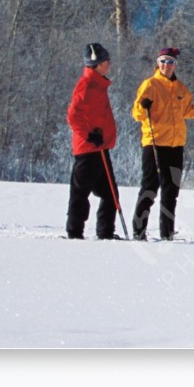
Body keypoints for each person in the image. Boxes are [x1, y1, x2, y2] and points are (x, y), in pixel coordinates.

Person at [130, 46, 194, 241]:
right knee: (150, 188)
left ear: (175, 64)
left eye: (171, 62)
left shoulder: (180, 88)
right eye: (163, 61)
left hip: (175, 145)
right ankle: (139, 230)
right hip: (155, 144)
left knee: (171, 191)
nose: (167, 65)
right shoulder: (150, 85)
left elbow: (189, 111)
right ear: (158, 64)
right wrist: (143, 106)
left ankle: (167, 232)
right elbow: (137, 114)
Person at [65, 42, 122, 240]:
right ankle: (74, 233)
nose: (109, 63)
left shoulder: (98, 84)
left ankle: (105, 233)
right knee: (81, 193)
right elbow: (73, 115)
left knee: (110, 194)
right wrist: (89, 135)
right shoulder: (87, 85)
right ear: (97, 63)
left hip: (101, 148)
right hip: (88, 150)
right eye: (106, 60)